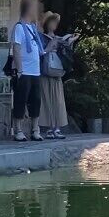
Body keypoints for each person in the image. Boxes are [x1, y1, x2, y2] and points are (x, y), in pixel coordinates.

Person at [7, 0, 45, 141]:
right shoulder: (19, 27)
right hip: (24, 71)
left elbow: (39, 50)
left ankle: (35, 130)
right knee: (20, 101)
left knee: (35, 101)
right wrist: (20, 69)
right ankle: (18, 130)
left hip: (35, 72)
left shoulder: (33, 28)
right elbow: (16, 48)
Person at [38, 9, 70, 138]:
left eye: (55, 23)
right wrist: (50, 46)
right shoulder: (41, 37)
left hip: (57, 73)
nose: (54, 25)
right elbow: (41, 52)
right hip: (45, 71)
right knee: (47, 100)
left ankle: (57, 127)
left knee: (58, 100)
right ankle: (49, 128)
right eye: (52, 22)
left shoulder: (58, 37)